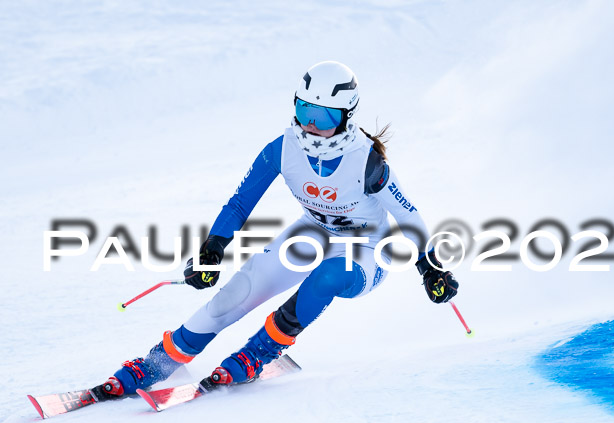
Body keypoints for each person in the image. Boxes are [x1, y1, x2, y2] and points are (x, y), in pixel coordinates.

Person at [93, 61, 459, 399]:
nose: (312, 124)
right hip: (312, 233)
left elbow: (408, 215)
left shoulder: (366, 161)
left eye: (325, 115)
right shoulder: (282, 149)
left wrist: (429, 268)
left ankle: (258, 353)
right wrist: (212, 250)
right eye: (305, 110)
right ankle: (160, 361)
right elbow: (240, 203)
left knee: (327, 277)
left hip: (366, 250)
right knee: (236, 293)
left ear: (347, 116)